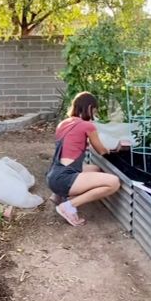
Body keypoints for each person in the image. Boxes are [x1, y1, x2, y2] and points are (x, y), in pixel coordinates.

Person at [47, 91, 122, 227]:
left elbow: (72, 148)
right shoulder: (87, 126)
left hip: (53, 175)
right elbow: (101, 150)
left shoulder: (63, 123)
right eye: (94, 110)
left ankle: (58, 196)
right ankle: (68, 206)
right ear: (89, 108)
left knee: (95, 169)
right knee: (114, 183)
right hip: (64, 179)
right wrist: (115, 149)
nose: (94, 114)